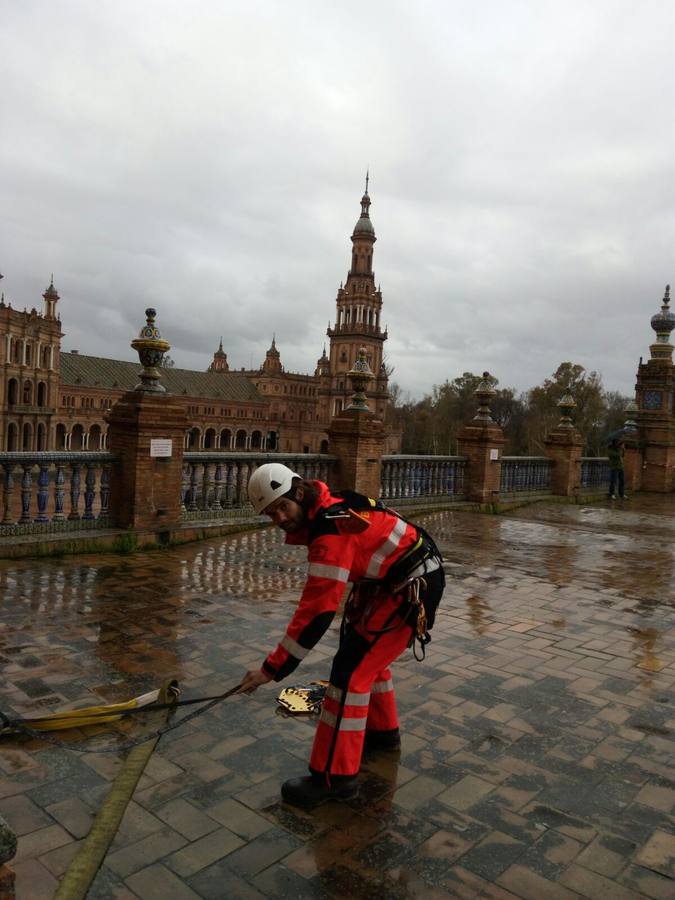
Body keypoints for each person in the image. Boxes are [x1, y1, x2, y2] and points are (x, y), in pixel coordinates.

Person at [238, 462, 445, 806]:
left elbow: (316, 612)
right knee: (365, 661)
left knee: (348, 676)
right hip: (396, 581)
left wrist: (270, 670)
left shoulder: (330, 532)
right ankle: (381, 735)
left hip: (410, 586)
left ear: (299, 493)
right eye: (271, 514)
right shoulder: (330, 508)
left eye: (282, 507)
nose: (279, 519)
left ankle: (333, 779)